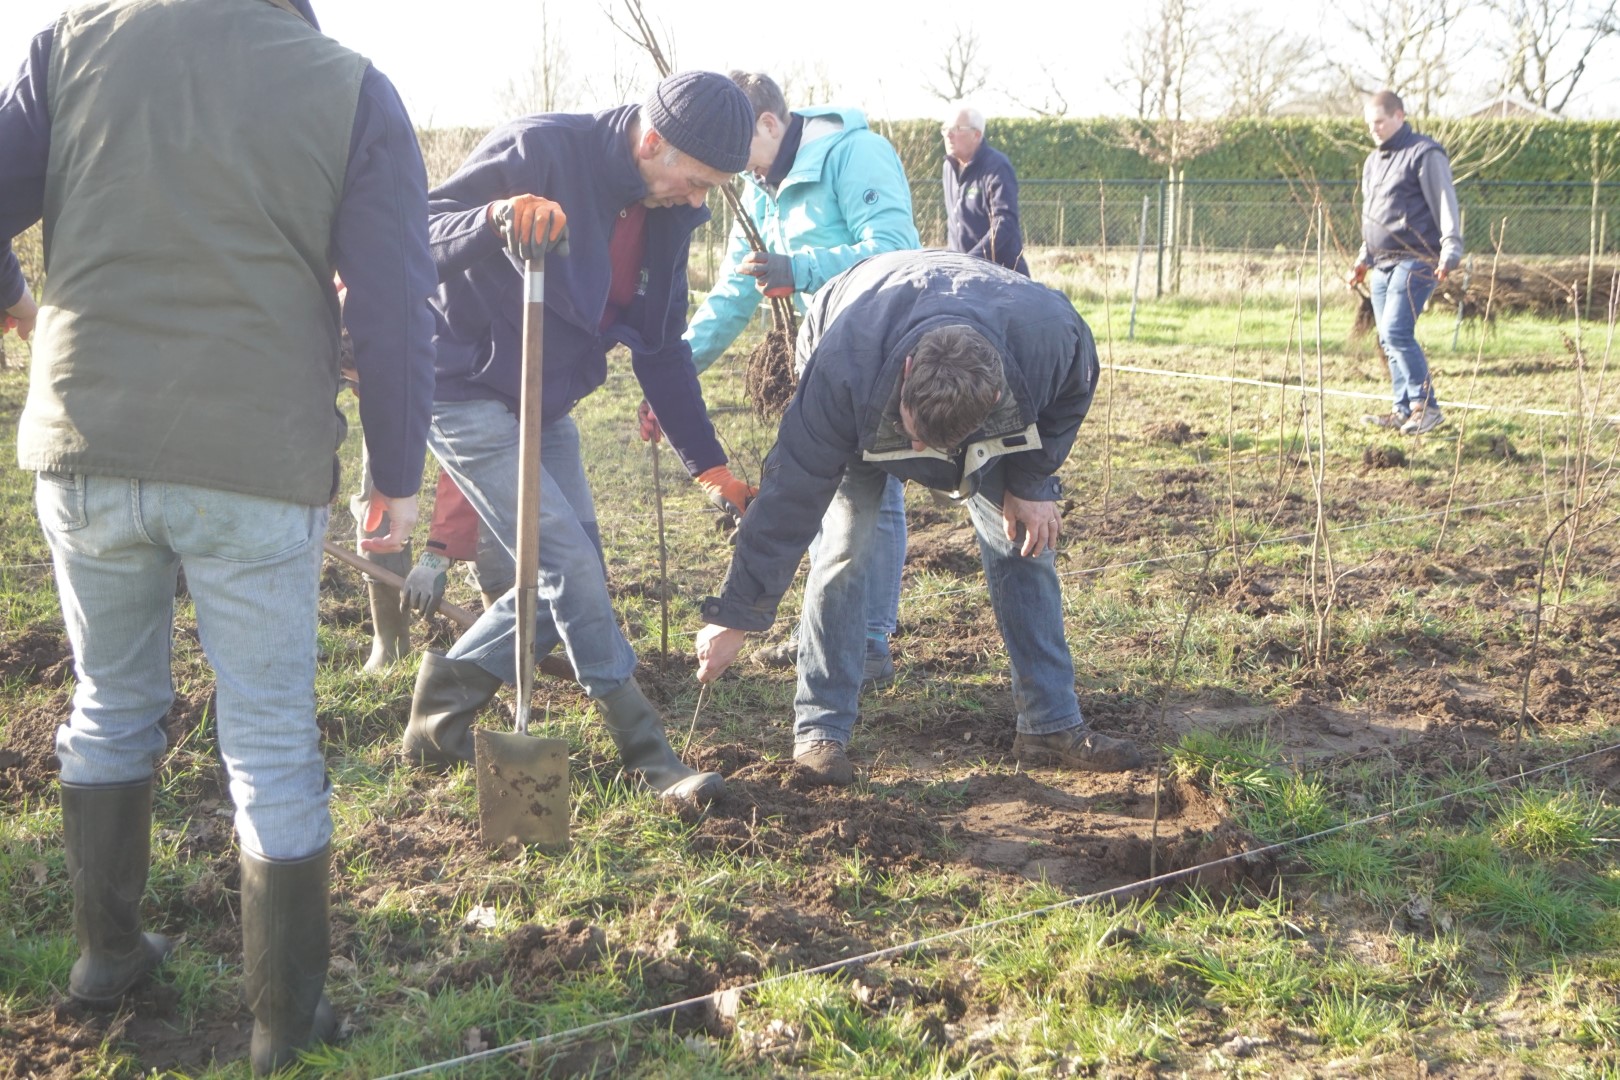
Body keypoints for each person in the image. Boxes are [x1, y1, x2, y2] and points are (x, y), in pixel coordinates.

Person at [0, 0, 436, 1074]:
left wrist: (12, 291)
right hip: (255, 455)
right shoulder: (348, 84)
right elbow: (391, 301)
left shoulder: (71, 43)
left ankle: (107, 959)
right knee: (273, 740)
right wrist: (395, 474)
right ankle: (281, 1027)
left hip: (83, 437)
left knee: (109, 701)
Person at [403, 70, 758, 806]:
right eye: (694, 181)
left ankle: (437, 719)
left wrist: (711, 467)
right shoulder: (540, 150)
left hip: (547, 397)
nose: (698, 200)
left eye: (713, 190)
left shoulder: (667, 213)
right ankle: (650, 754)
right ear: (650, 140)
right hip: (462, 387)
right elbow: (415, 235)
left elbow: (662, 348)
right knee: (566, 564)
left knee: (571, 574)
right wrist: (496, 216)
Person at [693, 250, 1142, 787]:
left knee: (1024, 539)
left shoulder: (1051, 337)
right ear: (908, 376)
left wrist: (1030, 481)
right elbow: (791, 495)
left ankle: (1049, 724)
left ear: (994, 398)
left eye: (930, 445)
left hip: (984, 356)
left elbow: (1071, 396)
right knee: (845, 544)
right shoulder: (842, 369)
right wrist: (737, 613)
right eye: (911, 434)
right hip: (856, 341)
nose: (914, 450)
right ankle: (821, 732)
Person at [681, 71, 921, 687]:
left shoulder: (856, 153)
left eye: (738, 145)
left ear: (769, 122)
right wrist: (678, 370)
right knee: (818, 493)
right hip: (812, 363)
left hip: (876, 348)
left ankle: (868, 639)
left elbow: (894, 250)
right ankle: (824, 624)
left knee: (872, 490)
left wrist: (803, 268)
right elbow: (738, 287)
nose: (729, 167)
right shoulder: (759, 186)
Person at [1349, 89, 1461, 436]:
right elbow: (1373, 214)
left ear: (1400, 116)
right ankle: (1402, 409)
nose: (1375, 130)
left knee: (1397, 331)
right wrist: (1363, 258)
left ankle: (1426, 408)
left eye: (1380, 122)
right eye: (1370, 125)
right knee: (1386, 337)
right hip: (1381, 261)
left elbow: (1445, 203)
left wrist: (1451, 249)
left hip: (1418, 257)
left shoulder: (1424, 154)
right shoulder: (1373, 162)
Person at [941, 103, 1029, 276]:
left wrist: (973, 260)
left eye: (956, 128)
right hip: (962, 274)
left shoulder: (997, 167)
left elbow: (1004, 222)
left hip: (1001, 276)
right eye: (945, 128)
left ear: (977, 135)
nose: (948, 134)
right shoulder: (948, 167)